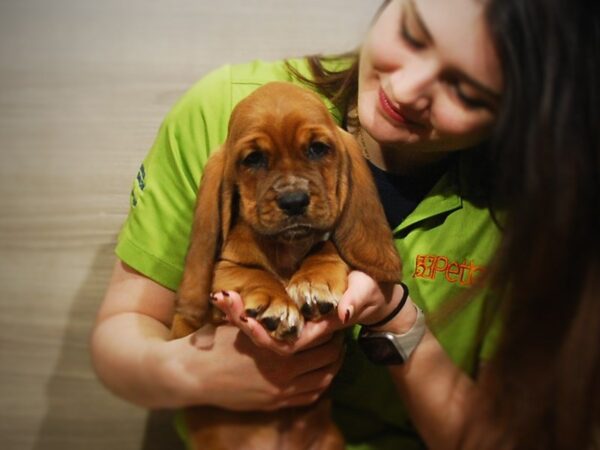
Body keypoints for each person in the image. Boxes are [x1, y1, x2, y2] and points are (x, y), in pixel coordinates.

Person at [90, 0, 600, 448]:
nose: (404, 89)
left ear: (520, 117)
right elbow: (119, 340)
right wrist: (197, 373)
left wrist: (396, 320)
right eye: (413, 34)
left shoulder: (530, 215)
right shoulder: (222, 109)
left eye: (465, 91)